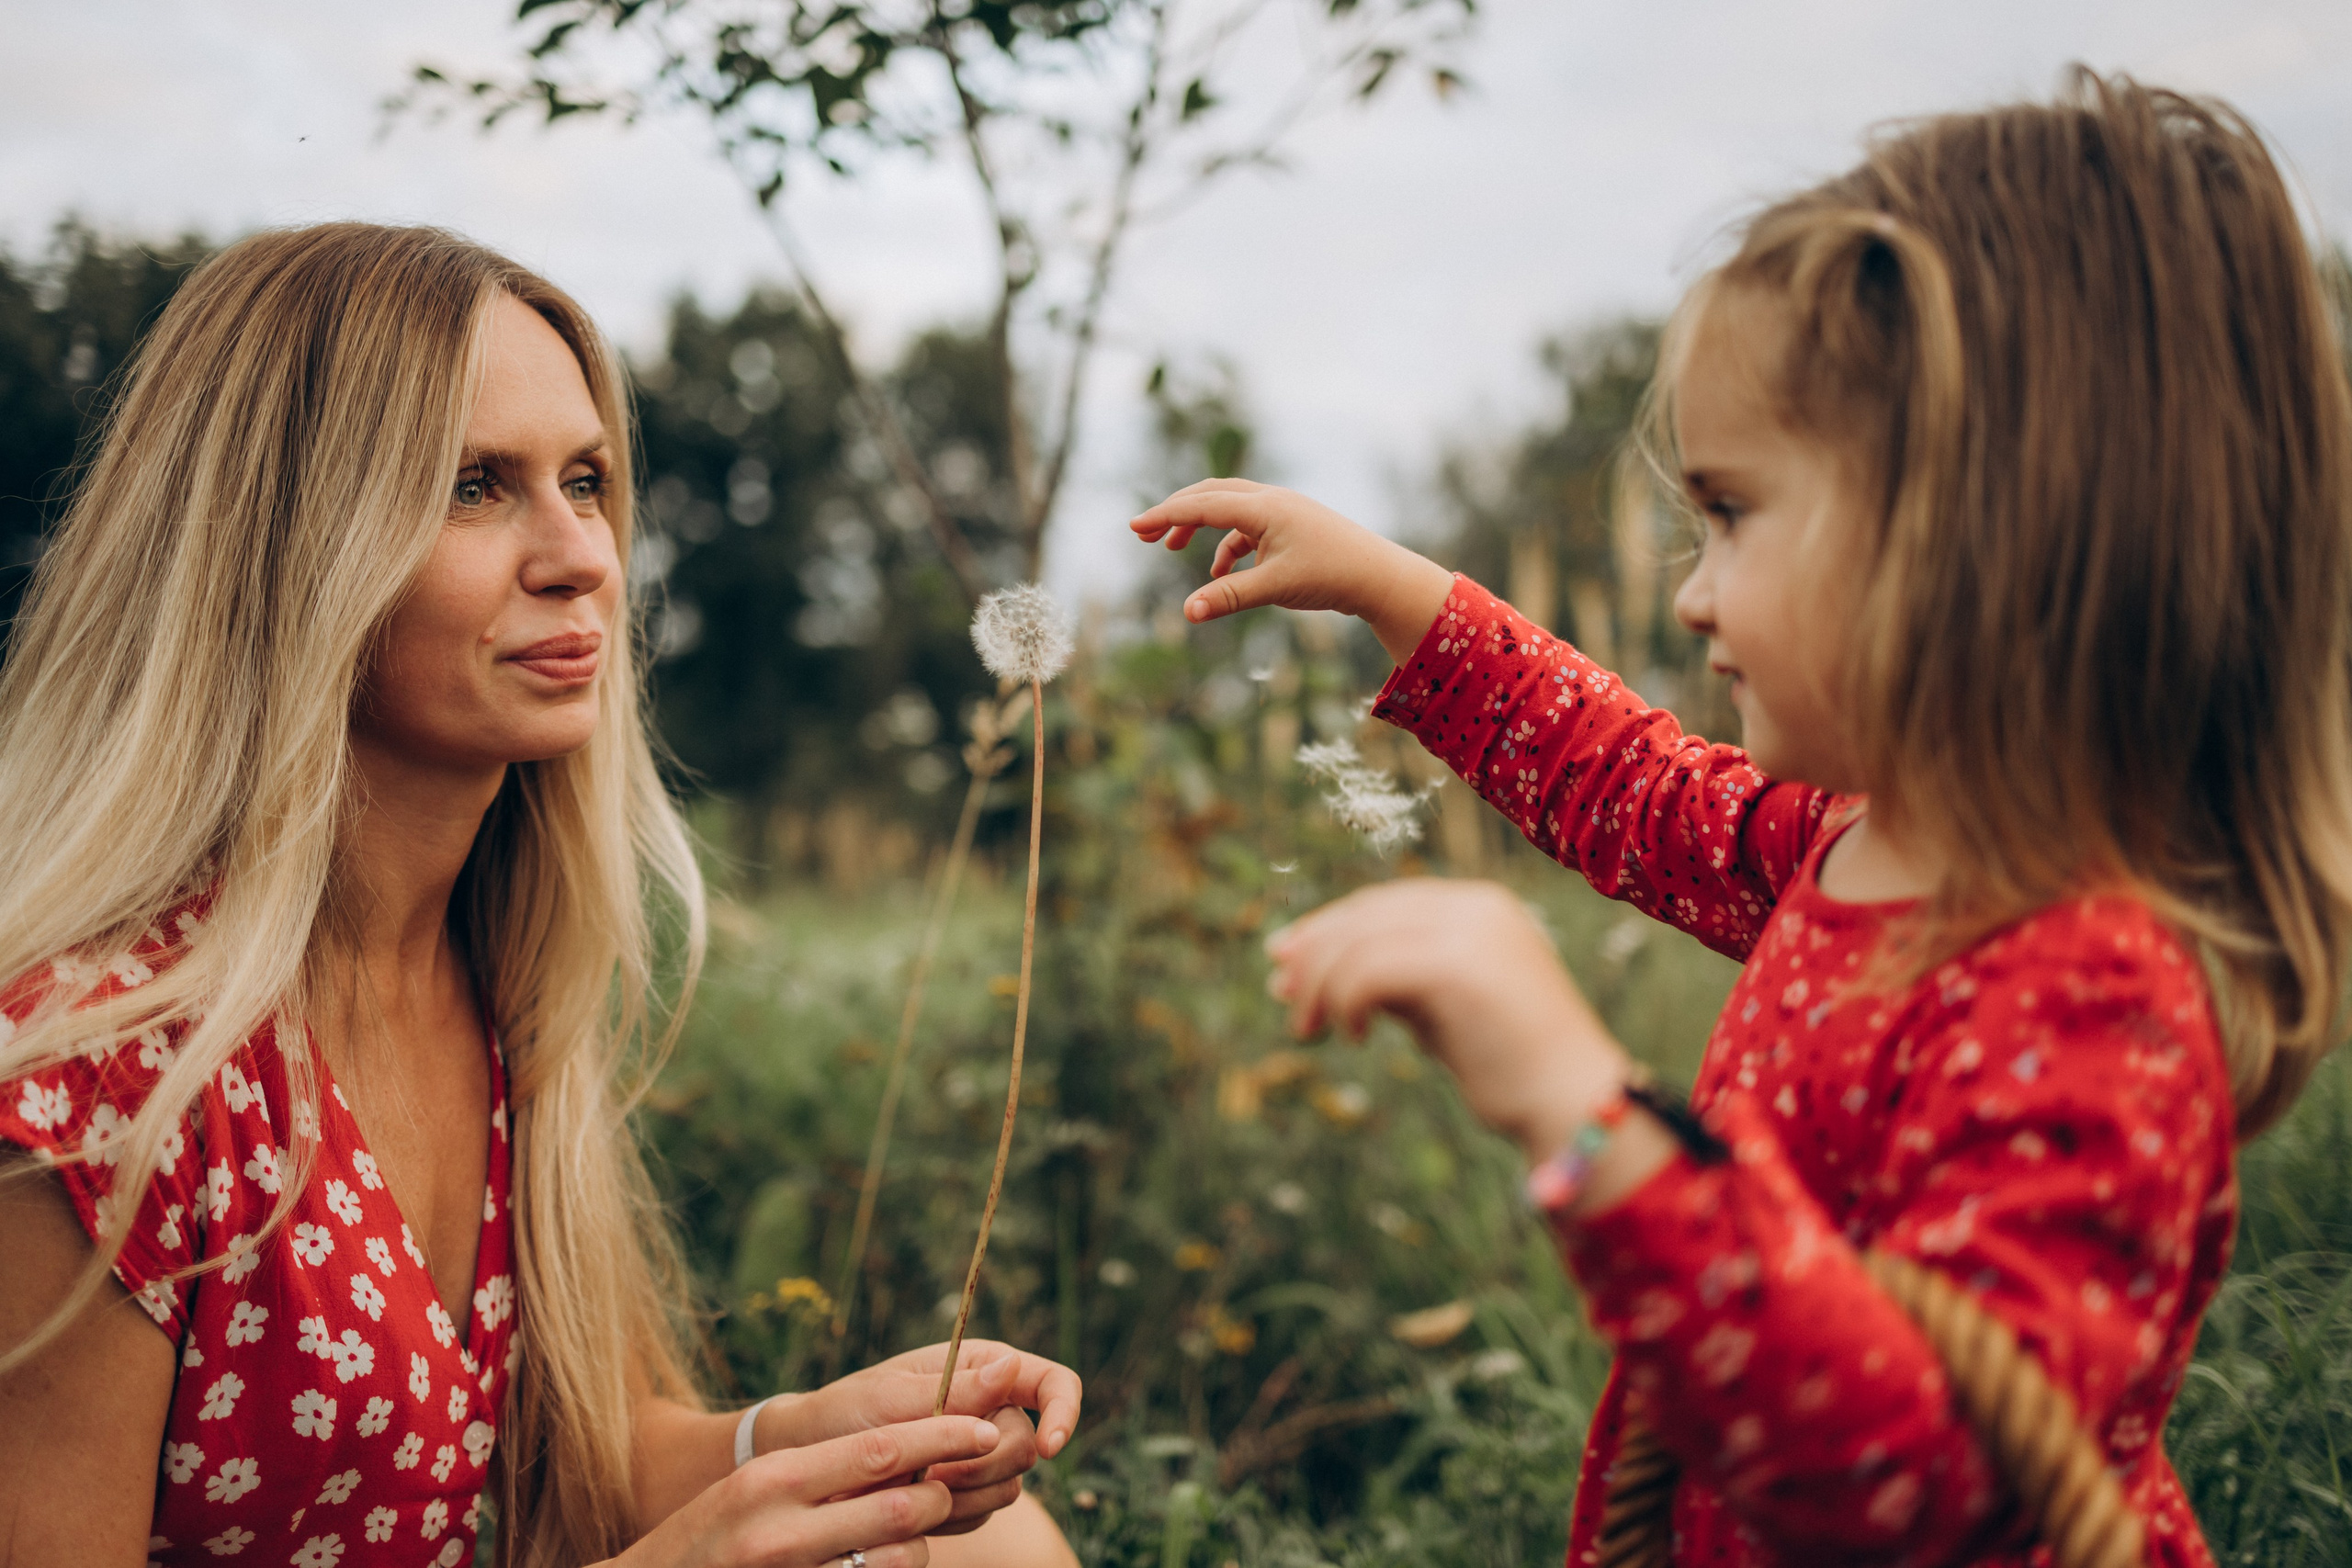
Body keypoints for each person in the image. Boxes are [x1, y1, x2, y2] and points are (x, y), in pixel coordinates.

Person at [1131, 71, 2352, 1567]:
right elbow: (1637, 788)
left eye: (1732, 515)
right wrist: (1398, 589)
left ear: (1975, 540)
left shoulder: (2091, 989)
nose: (1694, 591)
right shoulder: (1860, 848)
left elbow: (1912, 1489)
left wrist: (1588, 1116)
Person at [0, 224, 1081, 1568]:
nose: (582, 555)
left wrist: (798, 1436)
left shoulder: (496, 975)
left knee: (987, 1542)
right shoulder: (95, 1088)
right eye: (471, 487)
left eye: (586, 480)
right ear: (282, 549)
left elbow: (581, 1461)